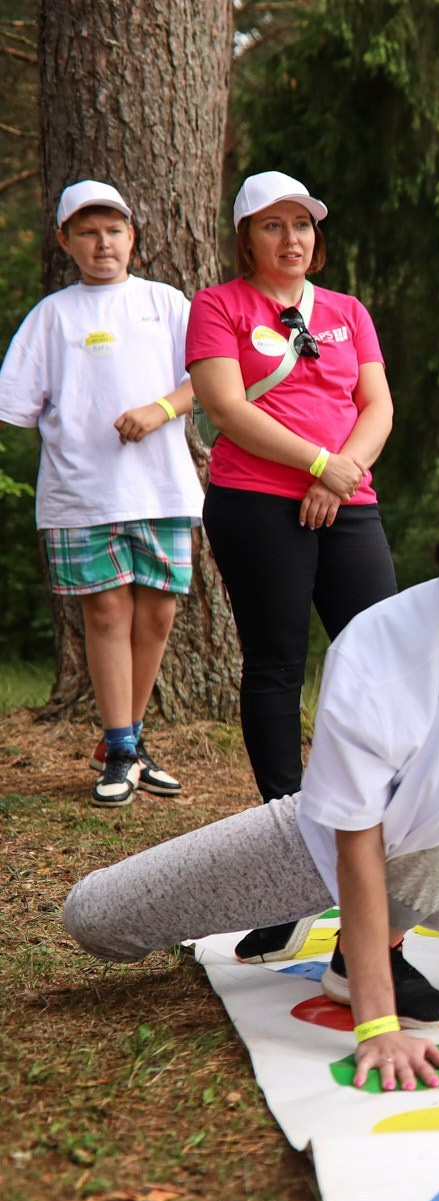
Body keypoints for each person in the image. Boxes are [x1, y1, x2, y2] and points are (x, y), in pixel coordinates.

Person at [63, 453, 439, 1091]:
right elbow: (354, 840)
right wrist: (378, 1026)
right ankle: (333, 933)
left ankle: (367, 953)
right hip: (327, 837)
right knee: (95, 918)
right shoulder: (384, 647)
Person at [187, 171, 398, 962]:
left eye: (302, 224)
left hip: (351, 502)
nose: (291, 239)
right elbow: (227, 409)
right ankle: (292, 860)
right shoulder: (219, 306)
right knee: (276, 667)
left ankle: (381, 832)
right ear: (248, 237)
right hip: (256, 504)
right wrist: (316, 465)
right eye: (272, 226)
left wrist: (338, 473)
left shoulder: (346, 311)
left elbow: (377, 406)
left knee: (380, 661)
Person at [0, 180, 200, 806]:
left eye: (113, 230)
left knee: (160, 612)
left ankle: (131, 739)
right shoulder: (52, 317)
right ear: (65, 241)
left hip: (163, 488)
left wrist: (162, 408)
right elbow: (17, 406)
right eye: (87, 231)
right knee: (107, 613)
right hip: (82, 495)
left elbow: (214, 379)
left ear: (132, 236)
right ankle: (119, 747)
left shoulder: (167, 305)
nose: (102, 242)